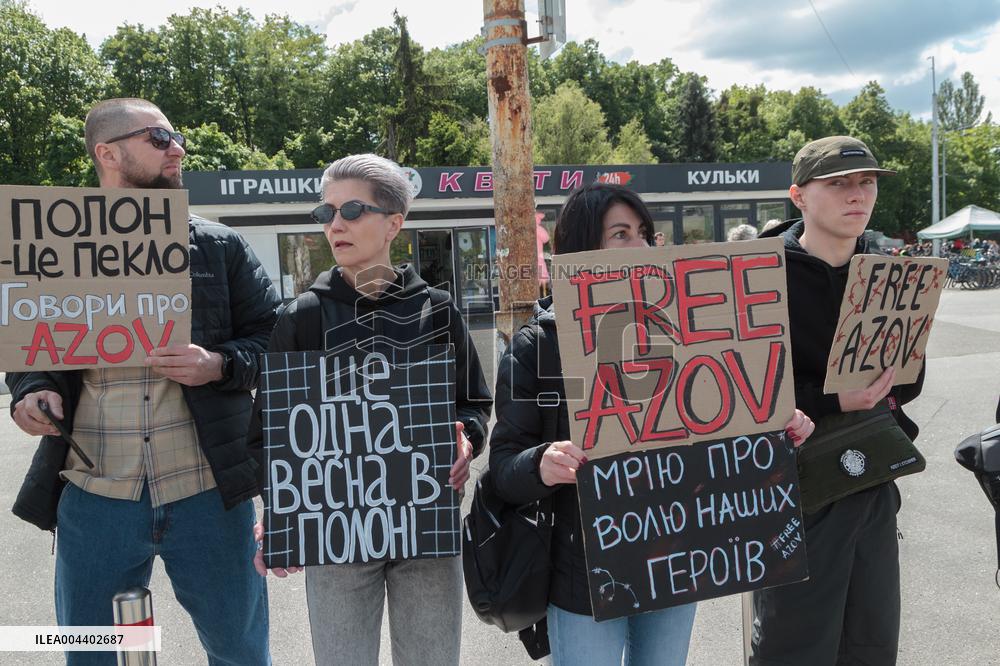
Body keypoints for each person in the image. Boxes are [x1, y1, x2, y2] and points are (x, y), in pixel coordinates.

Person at [489, 183, 815, 665]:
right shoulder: (538, 346)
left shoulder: (688, 328)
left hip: (675, 563)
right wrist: (542, 463)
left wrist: (776, 427)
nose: (640, 246)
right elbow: (502, 468)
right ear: (580, 247)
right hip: (584, 578)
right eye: (620, 233)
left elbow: (722, 431)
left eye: (644, 232)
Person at [7, 98, 280, 664]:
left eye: (176, 136)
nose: (178, 148)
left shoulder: (218, 245)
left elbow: (274, 342)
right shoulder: (55, 248)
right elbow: (30, 349)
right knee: (92, 654)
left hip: (208, 491)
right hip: (95, 494)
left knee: (241, 652)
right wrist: (30, 391)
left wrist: (219, 364)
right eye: (159, 138)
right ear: (108, 153)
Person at [247, 153, 492, 665]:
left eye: (352, 210)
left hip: (426, 527)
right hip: (338, 533)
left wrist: (466, 439)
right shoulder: (302, 318)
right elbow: (270, 431)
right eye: (325, 212)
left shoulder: (438, 311)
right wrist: (281, 514)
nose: (335, 224)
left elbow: (472, 403)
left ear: (394, 223)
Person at [754, 136, 926, 665]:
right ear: (798, 195)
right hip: (793, 490)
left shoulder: (889, 272)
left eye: (866, 182)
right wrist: (834, 398)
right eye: (838, 183)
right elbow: (744, 392)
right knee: (795, 649)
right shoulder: (759, 276)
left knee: (871, 644)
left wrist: (889, 372)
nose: (857, 195)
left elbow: (908, 383)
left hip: (872, 478)